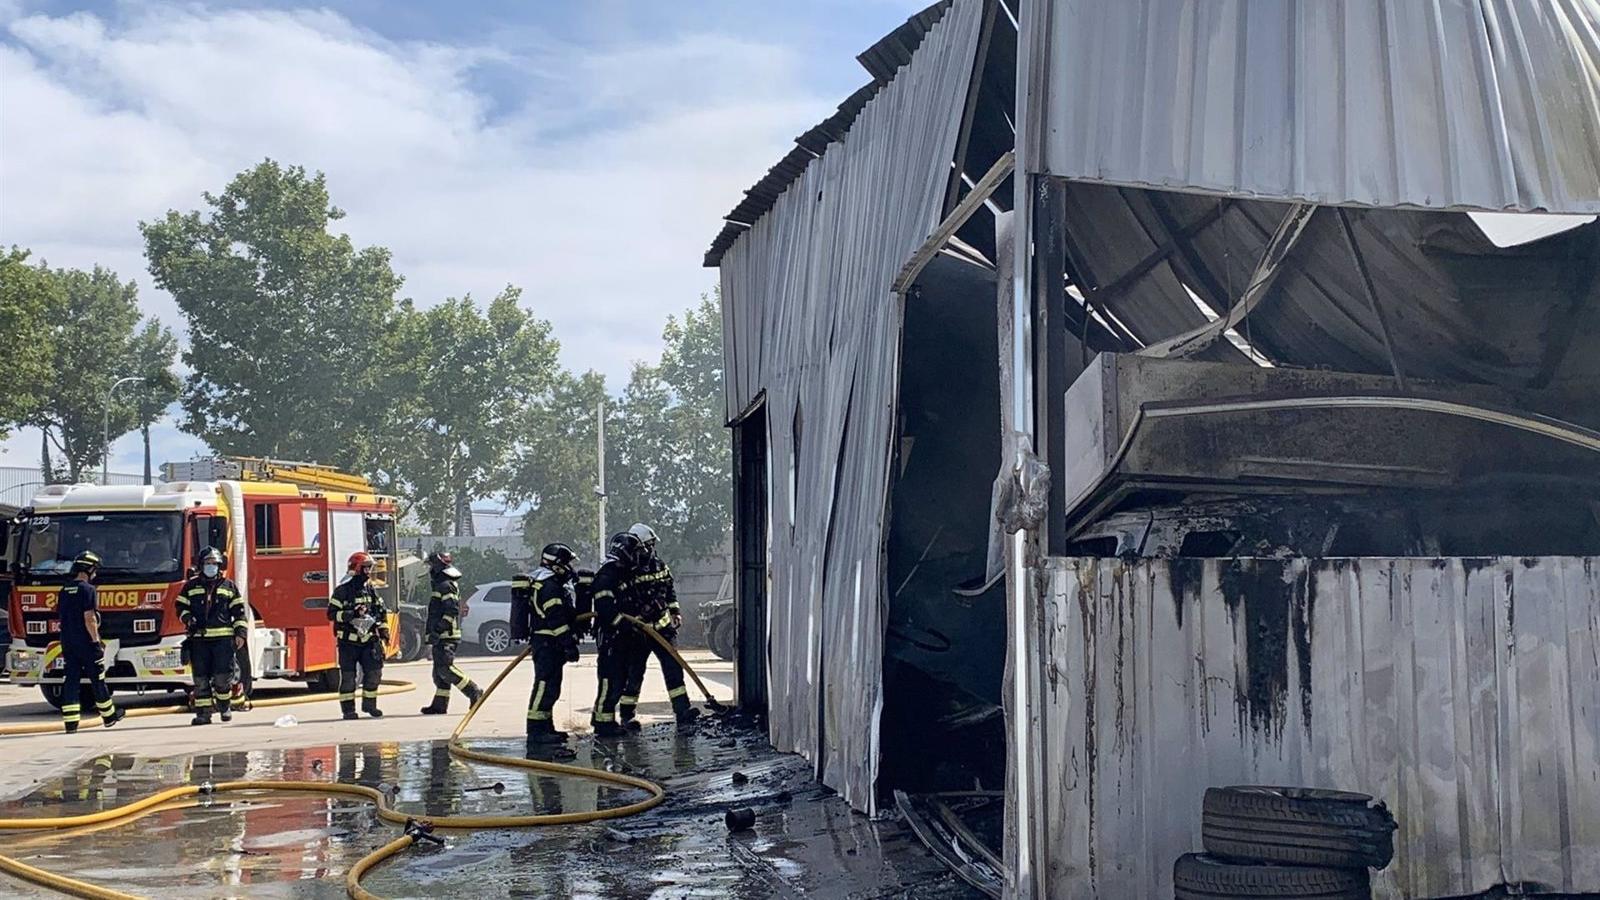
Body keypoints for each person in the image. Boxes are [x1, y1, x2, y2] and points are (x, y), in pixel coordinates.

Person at [617, 523, 698, 727]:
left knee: (674, 670)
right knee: (634, 673)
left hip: (663, 629)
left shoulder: (660, 565)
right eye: (648, 545)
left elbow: (669, 589)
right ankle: (627, 715)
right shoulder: (626, 570)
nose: (651, 549)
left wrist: (675, 611)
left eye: (652, 545)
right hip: (639, 631)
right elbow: (623, 600)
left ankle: (682, 711)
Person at [510, 543, 580, 744]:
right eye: (566, 563)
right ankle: (536, 730)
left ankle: (546, 727)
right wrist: (568, 645)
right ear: (556, 564)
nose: (569, 568)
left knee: (551, 687)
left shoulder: (545, 581)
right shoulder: (549, 585)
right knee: (544, 685)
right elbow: (556, 619)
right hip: (548, 643)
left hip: (548, 642)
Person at [176, 547, 248, 725]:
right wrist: (187, 618)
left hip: (223, 641)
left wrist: (240, 633)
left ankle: (224, 706)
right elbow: (180, 606)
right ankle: (203, 714)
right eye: (208, 563)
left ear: (219, 565)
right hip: (199, 640)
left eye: (214, 564)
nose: (211, 567)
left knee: (222, 678)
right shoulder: (191, 586)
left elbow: (239, 613)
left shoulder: (229, 586)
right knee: (200, 679)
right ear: (201, 565)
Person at [54, 551, 124, 733]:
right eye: (94, 570)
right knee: (97, 679)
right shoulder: (88, 590)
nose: (95, 574)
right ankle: (109, 717)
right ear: (88, 569)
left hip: (68, 642)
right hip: (86, 643)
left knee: (71, 681)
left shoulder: (64, 590)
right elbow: (90, 619)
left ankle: (70, 724)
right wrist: (96, 642)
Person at [589, 532, 647, 737]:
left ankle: (614, 719)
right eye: (636, 552)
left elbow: (631, 602)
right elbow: (605, 608)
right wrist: (624, 624)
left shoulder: (625, 573)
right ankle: (603, 723)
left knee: (623, 678)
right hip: (611, 638)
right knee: (609, 680)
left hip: (624, 637)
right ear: (625, 552)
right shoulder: (607, 574)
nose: (640, 556)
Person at [328, 551, 389, 720]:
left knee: (374, 673)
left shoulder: (371, 590)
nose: (369, 572)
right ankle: (348, 710)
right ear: (356, 569)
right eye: (366, 568)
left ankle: (370, 706)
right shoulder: (342, 591)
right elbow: (331, 614)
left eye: (370, 568)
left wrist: (383, 630)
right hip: (348, 643)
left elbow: (380, 612)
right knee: (348, 678)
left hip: (369, 641)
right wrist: (350, 614)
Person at [419, 551, 482, 715]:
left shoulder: (445, 585)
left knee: (445, 669)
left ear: (438, 567)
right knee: (439, 674)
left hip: (446, 635)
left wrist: (438, 630)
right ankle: (439, 704)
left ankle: (473, 691)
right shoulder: (443, 584)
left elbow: (452, 610)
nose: (430, 570)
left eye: (432, 566)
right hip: (442, 635)